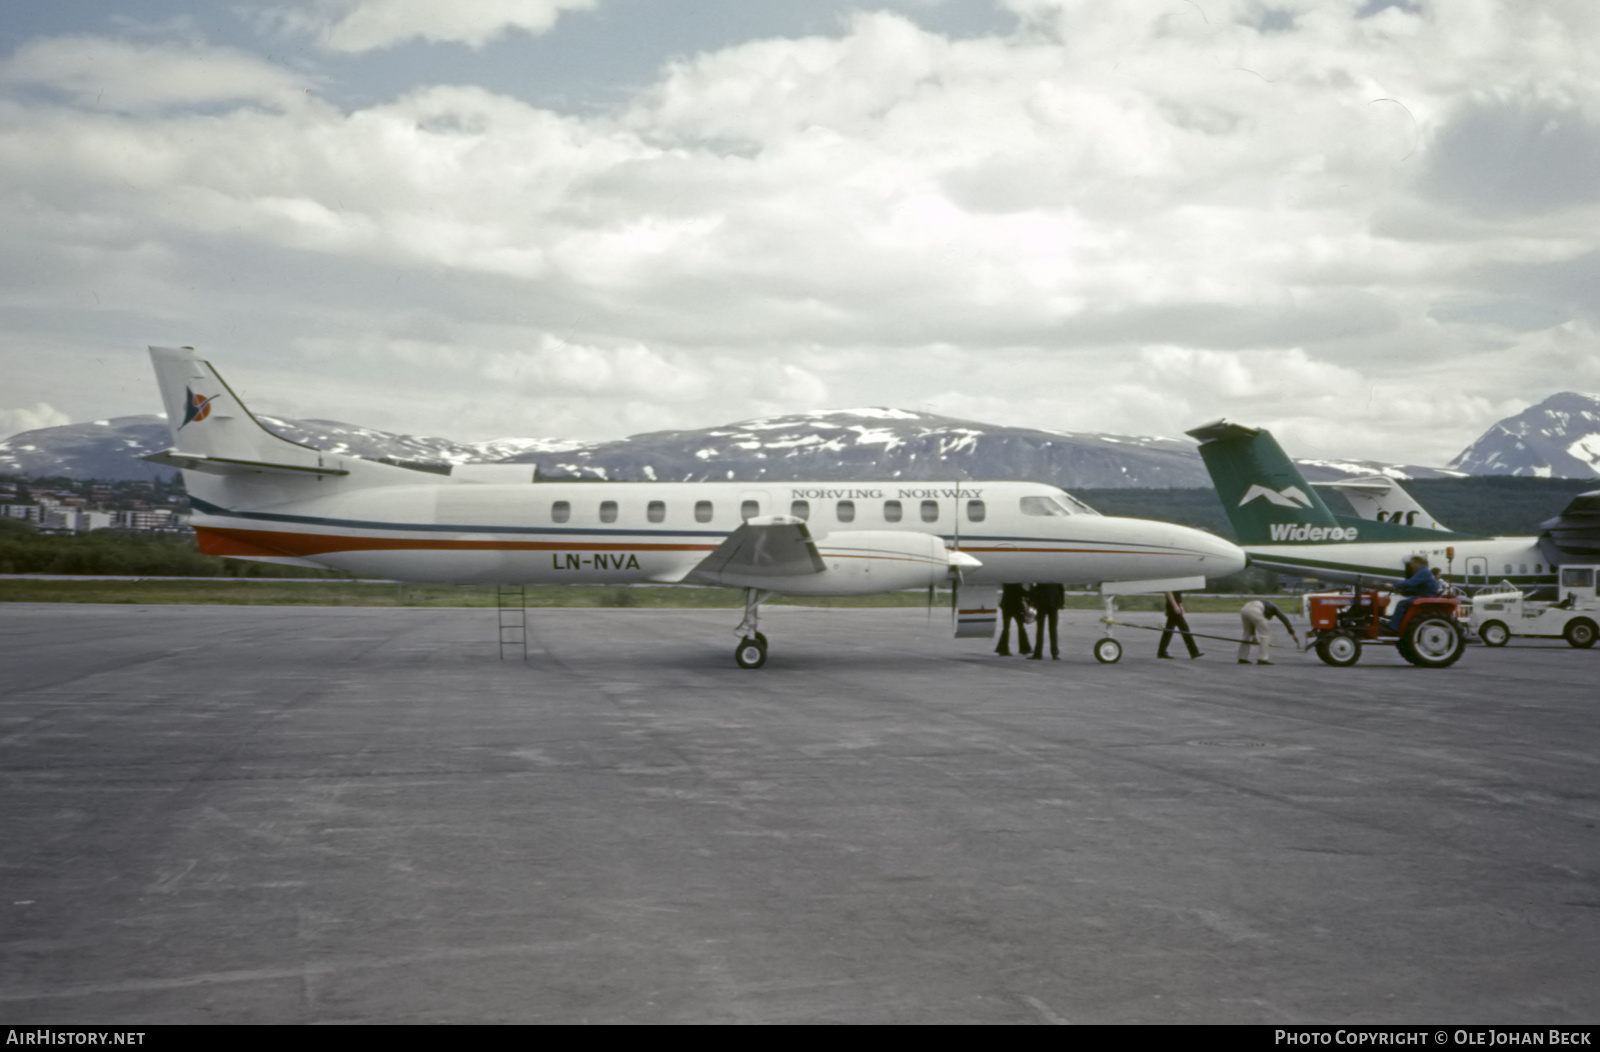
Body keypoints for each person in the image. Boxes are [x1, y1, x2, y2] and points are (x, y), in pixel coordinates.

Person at [1384, 555, 1441, 633]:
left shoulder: (1423, 571)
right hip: (1424, 595)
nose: (1411, 566)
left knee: (1402, 604)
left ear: (1418, 563)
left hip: (1426, 596)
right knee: (1403, 603)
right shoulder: (1424, 571)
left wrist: (1393, 585)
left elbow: (1410, 582)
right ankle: (1395, 624)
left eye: (1412, 563)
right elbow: (1415, 587)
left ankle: (1393, 628)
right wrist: (1400, 590)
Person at [1238, 598, 1298, 664]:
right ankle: (1262, 659)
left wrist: (1254, 635)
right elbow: (1284, 619)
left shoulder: (1266, 605)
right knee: (1265, 635)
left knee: (1247, 634)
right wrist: (1293, 633)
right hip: (1255, 609)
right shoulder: (1274, 608)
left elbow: (1253, 621)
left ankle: (1242, 658)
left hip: (1244, 609)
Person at [1157, 590, 1203, 659]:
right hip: (1173, 608)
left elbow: (1177, 595)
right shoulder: (1171, 581)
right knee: (1184, 629)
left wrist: (1180, 605)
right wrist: (1175, 606)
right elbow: (1168, 592)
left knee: (1169, 631)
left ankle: (1161, 652)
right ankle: (1194, 652)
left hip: (1174, 606)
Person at [1028, 582, 1065, 660]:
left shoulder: (1041, 577)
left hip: (1041, 604)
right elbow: (1061, 589)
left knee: (1040, 630)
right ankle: (1055, 654)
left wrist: (1031, 601)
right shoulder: (1055, 576)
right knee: (1053, 630)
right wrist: (1061, 603)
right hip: (1053, 604)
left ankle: (1038, 653)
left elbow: (1033, 589)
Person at [995, 583, 1031, 656]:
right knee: (1021, 628)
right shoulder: (1016, 583)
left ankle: (1003, 648)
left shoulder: (1007, 582)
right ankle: (1024, 648)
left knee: (1006, 629)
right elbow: (1023, 593)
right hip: (1017, 607)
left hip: (1006, 606)